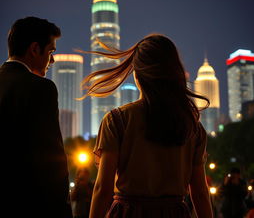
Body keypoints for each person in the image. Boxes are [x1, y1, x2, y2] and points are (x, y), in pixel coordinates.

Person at [79, 34, 213, 218]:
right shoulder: (192, 127)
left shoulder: (117, 120)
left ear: (138, 73)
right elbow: (200, 193)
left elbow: (103, 189)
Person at [0, 17, 73, 217]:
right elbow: (51, 160)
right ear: (34, 49)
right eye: (50, 51)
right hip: (28, 204)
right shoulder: (41, 88)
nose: (53, 60)